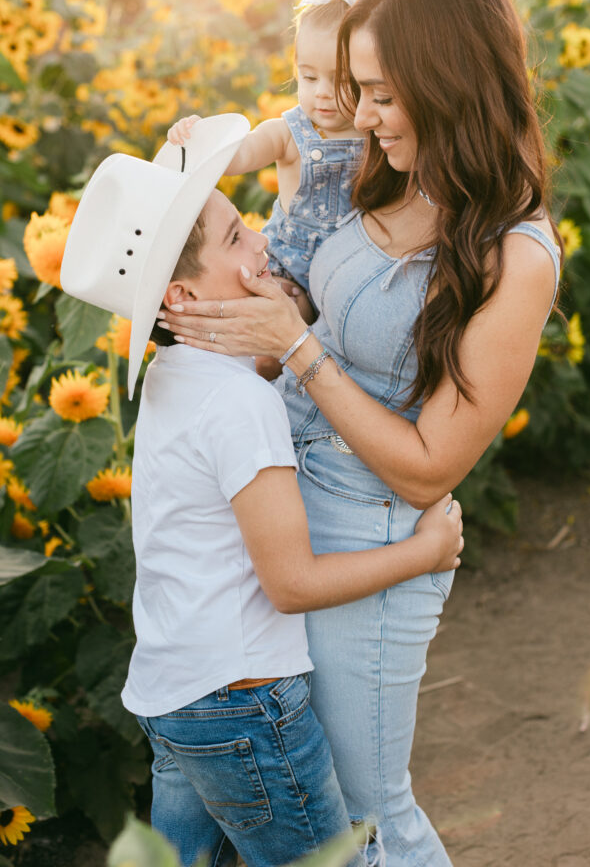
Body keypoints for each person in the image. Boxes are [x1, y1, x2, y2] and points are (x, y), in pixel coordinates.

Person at [156, 0, 563, 865]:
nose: (360, 117)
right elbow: (299, 280)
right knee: (295, 795)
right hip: (286, 516)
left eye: (380, 94)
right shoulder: (389, 174)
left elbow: (430, 465)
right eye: (353, 90)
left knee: (365, 815)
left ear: (446, 82)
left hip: (371, 536)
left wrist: (294, 345)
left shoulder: (515, 256)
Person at [59, 115, 464, 867]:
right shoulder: (240, 405)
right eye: (237, 237)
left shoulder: (173, 379)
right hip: (242, 700)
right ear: (182, 294)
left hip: (171, 694)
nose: (265, 244)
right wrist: (425, 550)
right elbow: (292, 582)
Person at [168, 0, 372, 296]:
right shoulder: (289, 132)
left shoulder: (377, 134)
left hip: (354, 271)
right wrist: (199, 140)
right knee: (275, 309)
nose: (322, 92)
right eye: (308, 77)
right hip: (288, 269)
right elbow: (243, 153)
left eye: (341, 80)